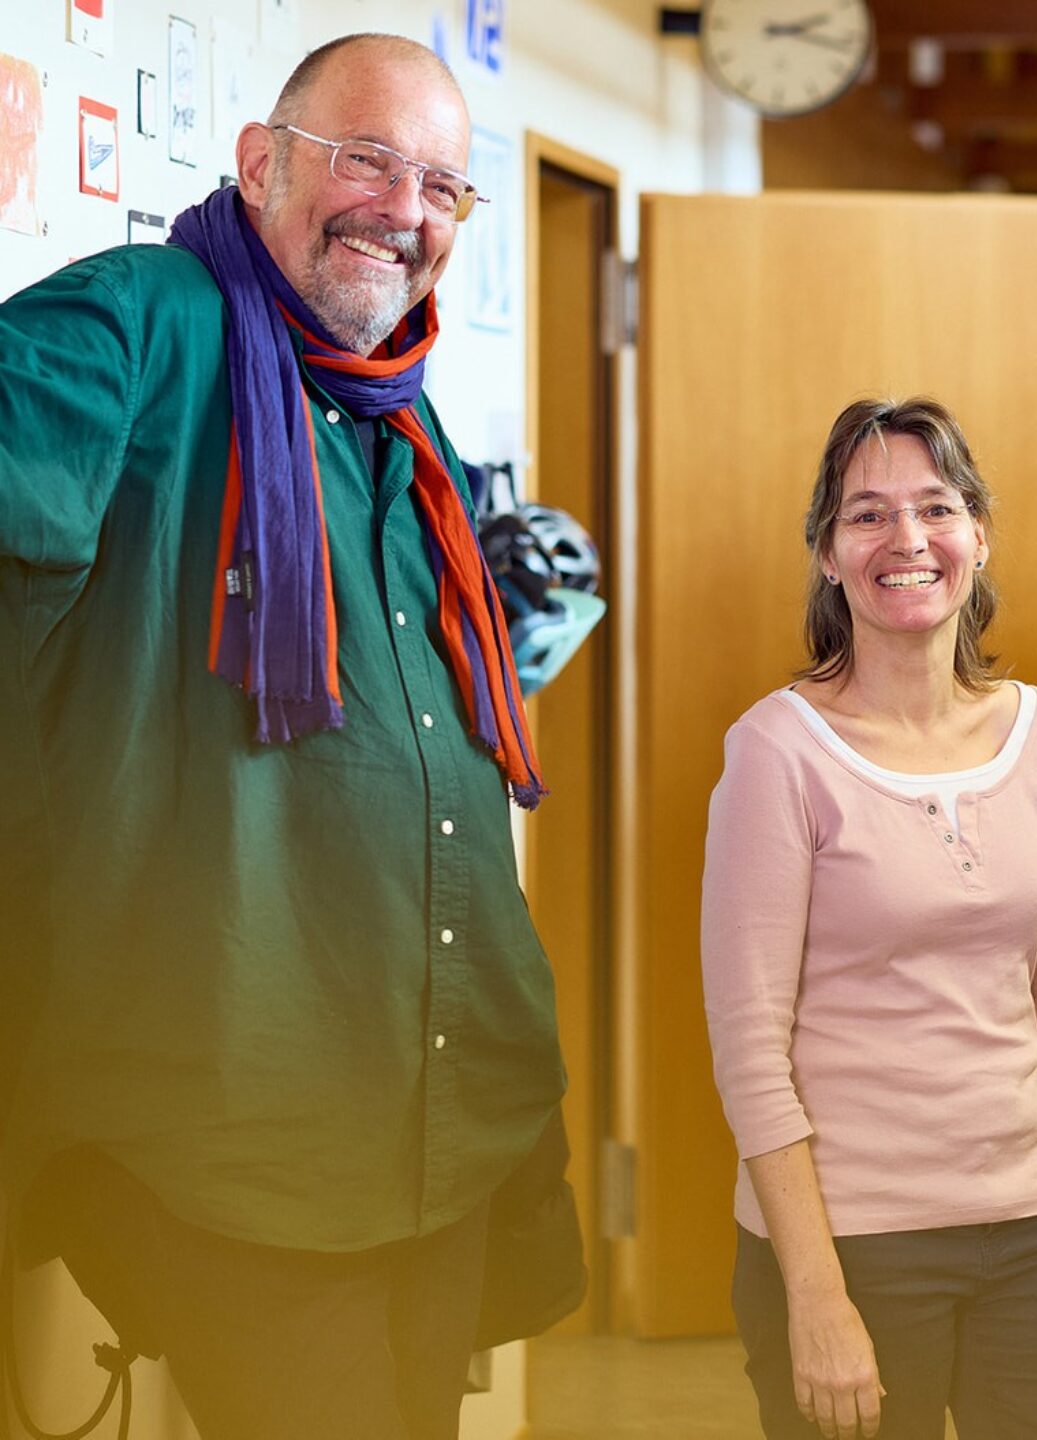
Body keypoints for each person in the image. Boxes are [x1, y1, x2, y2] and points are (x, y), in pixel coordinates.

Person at [0, 34, 568, 1440]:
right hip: (235, 1127)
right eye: (367, 159)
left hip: (439, 1110)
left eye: (442, 185)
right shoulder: (138, 325)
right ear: (261, 161)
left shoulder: (400, 415)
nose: (405, 209)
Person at [702, 397, 1037, 1440]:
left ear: (978, 536)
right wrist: (814, 1295)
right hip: (855, 1242)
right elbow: (750, 1048)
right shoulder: (777, 751)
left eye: (936, 507)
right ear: (827, 554)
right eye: (867, 515)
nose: (907, 539)